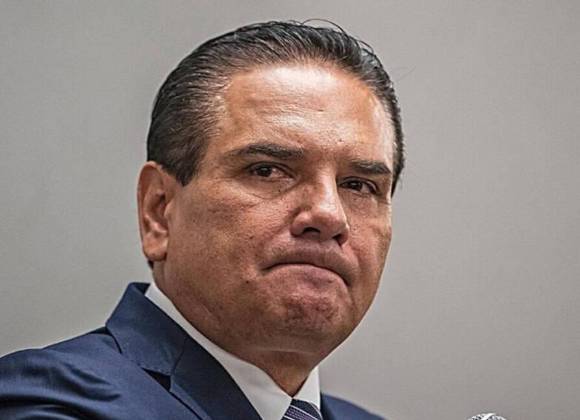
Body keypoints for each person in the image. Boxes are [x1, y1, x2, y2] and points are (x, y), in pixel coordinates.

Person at [0, 20, 404, 420]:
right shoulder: (49, 402)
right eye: (267, 170)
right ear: (159, 211)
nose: (330, 214)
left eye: (359, 185)